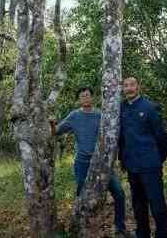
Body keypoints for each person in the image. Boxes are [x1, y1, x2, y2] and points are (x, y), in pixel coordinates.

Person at [51, 86, 133, 238]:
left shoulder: (100, 115)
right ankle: (79, 228)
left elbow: (113, 134)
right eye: (82, 96)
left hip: (102, 162)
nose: (86, 98)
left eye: (88, 95)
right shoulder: (74, 116)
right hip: (82, 163)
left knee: (119, 193)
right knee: (81, 195)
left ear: (92, 98)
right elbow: (56, 132)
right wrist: (51, 124)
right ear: (79, 100)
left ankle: (120, 229)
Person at [119, 77, 167, 238]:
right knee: (138, 203)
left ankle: (163, 234)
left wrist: (158, 159)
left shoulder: (150, 107)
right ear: (122, 89)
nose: (129, 88)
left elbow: (161, 137)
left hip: (150, 164)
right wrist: (123, 159)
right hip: (132, 165)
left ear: (139, 86)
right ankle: (142, 233)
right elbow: (121, 138)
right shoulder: (121, 108)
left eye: (132, 85)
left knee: (156, 202)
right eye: (125, 86)